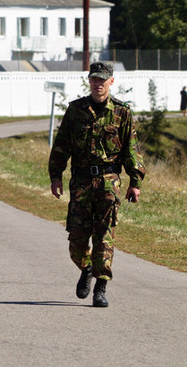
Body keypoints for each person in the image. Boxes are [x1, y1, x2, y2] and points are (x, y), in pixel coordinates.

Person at [48, 62, 145, 308]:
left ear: (111, 82)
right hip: (81, 182)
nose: (98, 84)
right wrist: (55, 175)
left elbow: (131, 150)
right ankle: (87, 267)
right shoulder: (76, 110)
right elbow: (62, 145)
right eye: (94, 79)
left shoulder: (122, 112)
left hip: (108, 183)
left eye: (102, 80)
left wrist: (135, 181)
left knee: (104, 237)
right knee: (77, 240)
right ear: (89, 81)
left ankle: (101, 286)